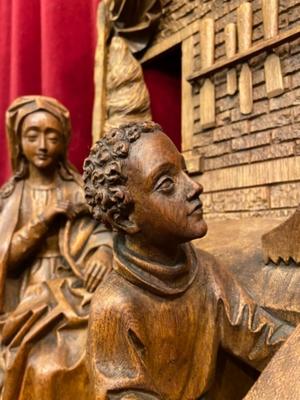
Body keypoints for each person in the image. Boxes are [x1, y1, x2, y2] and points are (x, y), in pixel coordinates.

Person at [83, 121, 294, 400]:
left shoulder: (206, 270)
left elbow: (261, 337)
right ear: (126, 217)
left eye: (185, 170)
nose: (195, 187)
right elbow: (124, 395)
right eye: (167, 183)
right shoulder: (114, 306)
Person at [0, 96, 113, 400]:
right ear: (18, 141)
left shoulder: (80, 190)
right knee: (34, 356)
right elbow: (5, 261)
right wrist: (44, 220)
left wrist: (103, 253)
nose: (42, 144)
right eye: (32, 135)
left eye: (52, 135)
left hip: (76, 288)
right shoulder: (9, 199)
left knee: (86, 348)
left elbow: (104, 231)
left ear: (64, 140)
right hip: (25, 294)